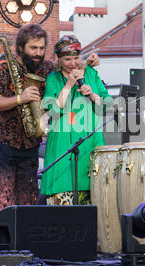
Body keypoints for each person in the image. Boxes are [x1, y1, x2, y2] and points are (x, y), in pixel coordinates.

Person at [0, 25, 100, 213]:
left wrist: (89, 61)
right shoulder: (3, 67)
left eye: (41, 48)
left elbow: (68, 63)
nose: (38, 53)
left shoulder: (46, 67)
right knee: (3, 201)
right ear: (21, 48)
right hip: (1, 142)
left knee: (28, 202)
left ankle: (25, 242)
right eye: (33, 48)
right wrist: (20, 98)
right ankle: (3, 242)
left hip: (29, 142)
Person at [41, 35, 112, 205]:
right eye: (67, 59)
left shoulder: (91, 73)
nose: (73, 63)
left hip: (91, 140)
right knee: (63, 198)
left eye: (76, 58)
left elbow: (108, 105)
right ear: (59, 60)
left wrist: (93, 95)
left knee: (92, 197)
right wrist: (68, 86)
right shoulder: (53, 78)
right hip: (63, 143)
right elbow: (52, 111)